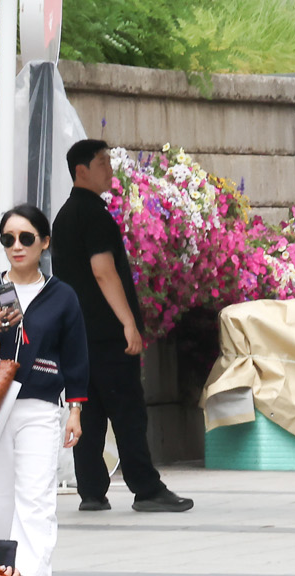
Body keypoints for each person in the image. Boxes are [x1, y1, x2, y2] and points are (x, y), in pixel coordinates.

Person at [0, 204, 90, 576]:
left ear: (44, 242)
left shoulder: (62, 295)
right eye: (8, 239)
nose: (17, 246)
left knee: (36, 494)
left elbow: (76, 356)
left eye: (26, 238)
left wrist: (75, 410)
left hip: (38, 405)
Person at [51, 139, 192, 514]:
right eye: (101, 163)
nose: (109, 170)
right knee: (127, 410)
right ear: (81, 171)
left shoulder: (64, 216)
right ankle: (145, 487)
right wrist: (128, 322)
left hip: (78, 335)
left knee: (90, 412)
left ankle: (92, 492)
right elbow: (102, 271)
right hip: (107, 334)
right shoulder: (94, 216)